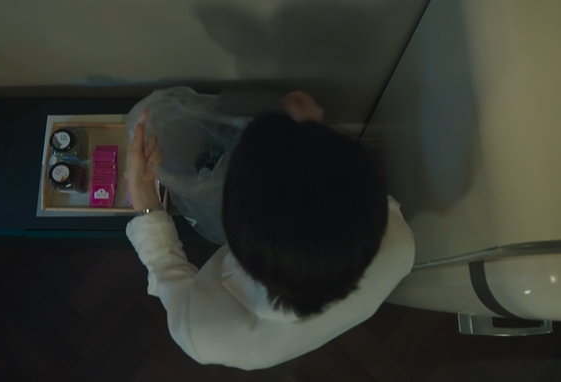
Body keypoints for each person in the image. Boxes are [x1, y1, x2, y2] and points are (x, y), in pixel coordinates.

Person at [125, 91, 414, 370]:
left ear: (231, 232)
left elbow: (167, 271)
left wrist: (143, 197)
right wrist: (308, 138)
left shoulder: (203, 333)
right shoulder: (399, 245)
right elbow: (329, 202)